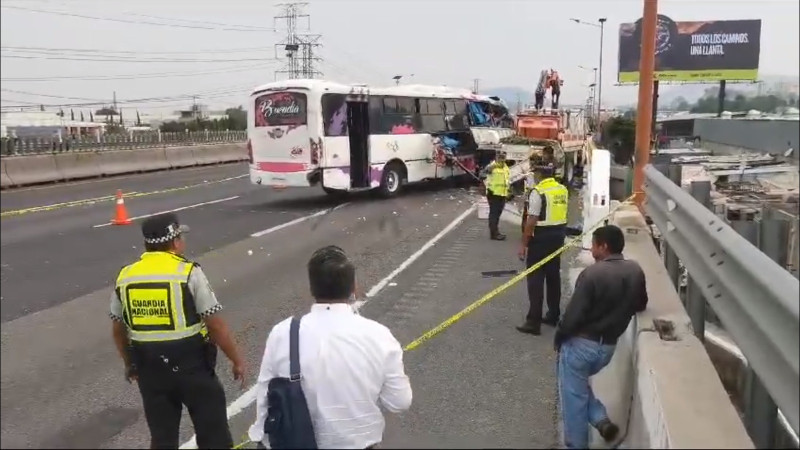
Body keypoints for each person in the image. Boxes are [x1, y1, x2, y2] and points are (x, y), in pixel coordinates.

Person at [249, 245, 412, 449]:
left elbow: (265, 397)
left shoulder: (283, 333)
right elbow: (399, 401)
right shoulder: (379, 336)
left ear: (312, 288)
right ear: (353, 288)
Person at [109, 213, 246, 449]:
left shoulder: (126, 276)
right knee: (213, 434)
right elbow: (214, 324)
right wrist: (237, 360)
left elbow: (118, 329)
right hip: (191, 366)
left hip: (150, 369)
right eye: (181, 237)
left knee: (162, 438)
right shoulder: (188, 272)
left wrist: (130, 363)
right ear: (175, 242)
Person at [554, 225, 648, 449]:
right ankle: (600, 420)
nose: (592, 249)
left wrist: (559, 338)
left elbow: (573, 316)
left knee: (573, 396)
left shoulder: (592, 274)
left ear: (603, 247)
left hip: (581, 345)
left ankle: (577, 444)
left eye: (594, 245)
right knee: (576, 386)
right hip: (607, 349)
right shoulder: (635, 271)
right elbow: (641, 304)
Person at [517, 162, 569, 335]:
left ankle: (533, 322)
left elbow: (531, 220)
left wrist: (524, 244)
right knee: (553, 277)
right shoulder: (562, 189)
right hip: (558, 235)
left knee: (535, 279)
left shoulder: (538, 192)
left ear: (539, 175)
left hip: (541, 237)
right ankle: (553, 315)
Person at [481, 151, 511, 240]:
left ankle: (496, 232)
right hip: (493, 194)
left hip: (502, 194)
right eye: (500, 158)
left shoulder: (505, 167)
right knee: (494, 214)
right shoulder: (491, 166)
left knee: (498, 214)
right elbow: (482, 175)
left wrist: (509, 191)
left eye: (503, 158)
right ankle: (494, 234)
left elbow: (506, 180)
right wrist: (490, 168)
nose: (501, 160)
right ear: (496, 157)